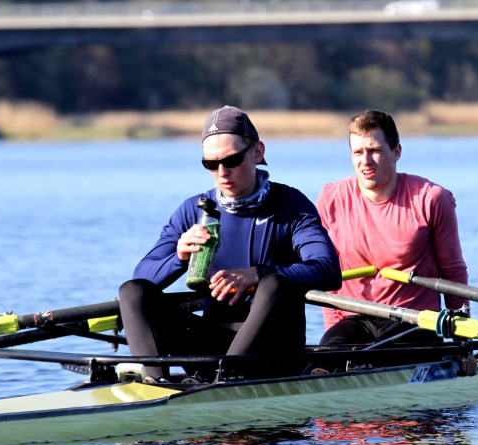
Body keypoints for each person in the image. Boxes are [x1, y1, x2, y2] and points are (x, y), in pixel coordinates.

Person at [119, 106, 342, 382]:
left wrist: (257, 274)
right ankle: (156, 385)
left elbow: (328, 270)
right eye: (211, 164)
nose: (222, 172)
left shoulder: (291, 205)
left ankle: (226, 380)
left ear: (257, 153)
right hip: (212, 347)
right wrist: (179, 257)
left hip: (274, 350)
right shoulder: (193, 211)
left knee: (273, 283)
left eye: (232, 160)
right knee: (132, 292)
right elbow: (142, 277)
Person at [315, 109, 476, 376]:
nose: (365, 161)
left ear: (396, 152)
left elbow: (454, 273)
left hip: (414, 321)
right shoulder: (331, 198)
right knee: (320, 363)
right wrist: (332, 336)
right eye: (358, 152)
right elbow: (329, 278)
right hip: (355, 320)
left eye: (374, 150)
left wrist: (463, 343)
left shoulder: (431, 199)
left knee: (379, 359)